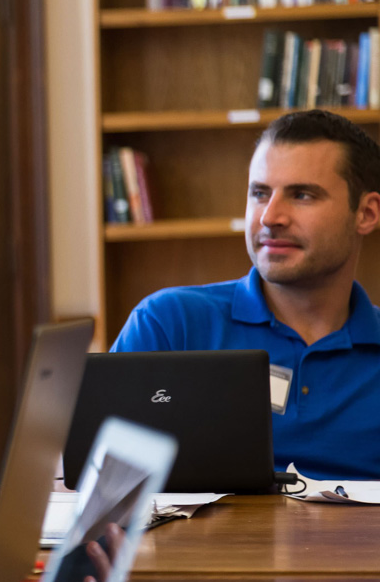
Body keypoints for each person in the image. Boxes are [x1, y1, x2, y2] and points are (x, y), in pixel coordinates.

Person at [112, 109, 380, 479]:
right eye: (260, 193)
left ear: (366, 213)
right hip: (203, 538)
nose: (270, 217)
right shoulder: (169, 324)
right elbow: (95, 481)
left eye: (302, 195)